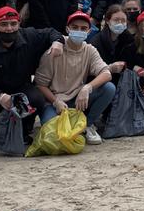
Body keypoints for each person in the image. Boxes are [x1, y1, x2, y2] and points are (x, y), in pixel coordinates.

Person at [0, 6, 65, 150]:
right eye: (4, 24)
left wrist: (58, 42)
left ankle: (22, 129)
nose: (9, 28)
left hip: (19, 89)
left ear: (19, 24)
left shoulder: (29, 35)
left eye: (13, 24)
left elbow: (52, 32)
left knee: (36, 98)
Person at [34, 11, 116, 145]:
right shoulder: (56, 49)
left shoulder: (89, 50)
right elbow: (39, 84)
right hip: (55, 102)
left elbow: (106, 73)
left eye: (83, 28)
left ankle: (87, 125)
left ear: (89, 31)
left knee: (109, 88)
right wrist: (55, 101)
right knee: (54, 135)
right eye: (75, 27)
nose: (79, 31)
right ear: (67, 29)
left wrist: (87, 88)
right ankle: (71, 124)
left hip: (78, 99)